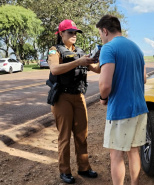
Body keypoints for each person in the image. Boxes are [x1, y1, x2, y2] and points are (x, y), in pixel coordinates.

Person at [96, 15, 149, 185]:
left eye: (100, 34)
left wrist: (103, 98)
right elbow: (144, 78)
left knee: (116, 154)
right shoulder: (136, 48)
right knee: (134, 152)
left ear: (105, 31)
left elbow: (105, 85)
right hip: (140, 109)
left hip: (120, 111)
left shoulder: (108, 48)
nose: (101, 38)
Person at [47, 19, 100, 184]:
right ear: (61, 33)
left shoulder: (80, 52)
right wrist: (79, 61)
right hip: (62, 98)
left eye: (75, 32)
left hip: (79, 97)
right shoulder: (54, 51)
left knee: (82, 135)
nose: (73, 35)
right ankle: (65, 171)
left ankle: (84, 168)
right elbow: (54, 69)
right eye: (70, 32)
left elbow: (97, 70)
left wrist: (103, 59)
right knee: (64, 137)